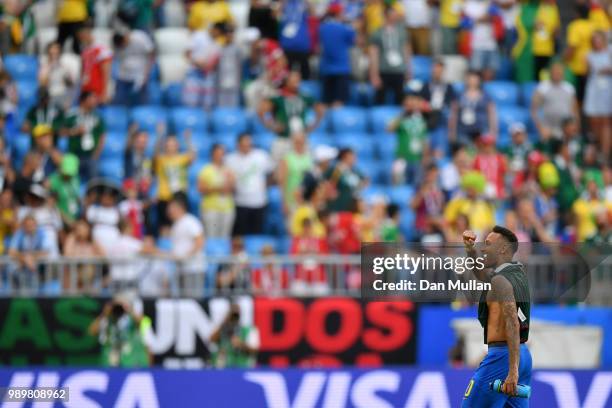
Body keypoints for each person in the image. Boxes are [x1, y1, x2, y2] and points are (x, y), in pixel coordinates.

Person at [461, 226, 532, 407]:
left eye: (487, 244)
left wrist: (512, 371)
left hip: (502, 358)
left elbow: (512, 323)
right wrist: (470, 251)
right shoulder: (515, 275)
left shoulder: (500, 281)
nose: (483, 249)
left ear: (502, 249)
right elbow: (482, 274)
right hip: (522, 356)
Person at [259, 71, 323, 162]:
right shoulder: (278, 97)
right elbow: (261, 111)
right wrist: (271, 126)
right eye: (294, 81)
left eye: (298, 81)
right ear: (286, 82)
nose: (297, 84)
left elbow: (320, 109)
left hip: (301, 139)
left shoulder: (304, 96)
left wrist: (314, 125)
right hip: (284, 138)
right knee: (279, 164)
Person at [226, 133, 274, 235]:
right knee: (240, 234)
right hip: (240, 202)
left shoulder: (261, 156)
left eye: (249, 144)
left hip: (259, 202)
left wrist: (266, 184)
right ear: (238, 145)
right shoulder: (230, 159)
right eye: (244, 144)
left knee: (256, 234)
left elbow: (272, 172)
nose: (247, 147)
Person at [369, 6, 412, 105]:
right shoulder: (378, 33)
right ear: (386, 16)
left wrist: (408, 70)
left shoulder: (402, 32)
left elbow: (407, 52)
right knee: (380, 100)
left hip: (399, 71)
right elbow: (373, 54)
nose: (395, 17)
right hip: (384, 71)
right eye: (392, 15)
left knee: (400, 101)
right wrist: (374, 74)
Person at [153, 131, 195, 232]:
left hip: (179, 196)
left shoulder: (182, 158)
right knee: (165, 226)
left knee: (181, 225)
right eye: (168, 144)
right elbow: (155, 153)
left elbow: (192, 157)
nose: (171, 147)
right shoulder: (161, 159)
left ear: (177, 146)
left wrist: (188, 140)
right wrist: (159, 136)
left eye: (173, 144)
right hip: (164, 196)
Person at [88, 299, 150, 367]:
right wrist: (104, 314)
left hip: (128, 358)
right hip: (109, 356)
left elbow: (141, 321)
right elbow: (91, 331)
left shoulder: (129, 319)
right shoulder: (105, 320)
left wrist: (128, 309)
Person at [512, 0, 560, 83]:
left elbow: (556, 29)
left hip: (547, 50)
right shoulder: (527, 8)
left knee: (543, 77)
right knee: (531, 76)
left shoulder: (552, 9)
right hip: (531, 50)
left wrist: (554, 32)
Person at [531, 61, 580, 142]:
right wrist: (541, 128)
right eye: (555, 72)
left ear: (563, 74)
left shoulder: (569, 88)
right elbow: (534, 110)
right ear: (550, 73)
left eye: (559, 72)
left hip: (566, 128)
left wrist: (575, 127)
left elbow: (575, 111)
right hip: (548, 128)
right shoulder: (542, 88)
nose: (557, 75)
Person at [167, 192, 206, 295]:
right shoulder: (176, 224)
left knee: (193, 300)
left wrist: (186, 256)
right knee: (184, 301)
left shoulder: (190, 221)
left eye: (171, 207)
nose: (168, 210)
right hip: (182, 269)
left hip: (193, 268)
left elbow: (200, 241)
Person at [387, 91, 429, 185]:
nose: (411, 104)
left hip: (417, 159)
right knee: (398, 185)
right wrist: (403, 114)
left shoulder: (421, 119)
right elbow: (389, 129)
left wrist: (425, 157)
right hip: (402, 158)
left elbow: (424, 139)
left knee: (416, 186)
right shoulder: (401, 117)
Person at [63, 91, 106, 182]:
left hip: (91, 156)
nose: (95, 101)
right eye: (91, 98)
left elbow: (102, 136)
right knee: (70, 181)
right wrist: (74, 131)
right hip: (74, 155)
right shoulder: (72, 115)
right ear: (83, 100)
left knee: (94, 181)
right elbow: (60, 131)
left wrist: (96, 154)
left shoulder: (97, 117)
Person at [318, 2, 356, 105]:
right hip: (341, 69)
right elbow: (352, 42)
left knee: (326, 101)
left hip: (326, 69)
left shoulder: (322, 28)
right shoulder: (345, 29)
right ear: (339, 14)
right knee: (339, 102)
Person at [583, 30, 612, 162]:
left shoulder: (610, 51)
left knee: (606, 121)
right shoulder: (589, 55)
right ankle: (598, 148)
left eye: (598, 39)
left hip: (607, 88)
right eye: (594, 40)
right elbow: (587, 72)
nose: (597, 42)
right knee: (594, 120)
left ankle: (605, 152)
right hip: (595, 88)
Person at [449, 71, 497, 146]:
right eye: (470, 79)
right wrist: (452, 132)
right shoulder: (459, 96)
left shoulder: (486, 96)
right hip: (463, 131)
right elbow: (454, 115)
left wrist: (493, 132)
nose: (472, 81)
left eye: (475, 79)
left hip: (481, 130)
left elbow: (492, 114)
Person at [198, 143, 235, 238]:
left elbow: (232, 187)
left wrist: (220, 188)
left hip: (227, 208)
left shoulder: (228, 169)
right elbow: (201, 189)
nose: (220, 156)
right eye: (218, 154)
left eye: (222, 154)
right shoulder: (206, 170)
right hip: (211, 208)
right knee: (211, 236)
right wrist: (219, 188)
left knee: (225, 237)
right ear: (212, 154)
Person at [182, 22, 221, 109]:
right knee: (191, 104)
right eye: (219, 31)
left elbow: (214, 64)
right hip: (194, 74)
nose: (219, 34)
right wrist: (198, 63)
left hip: (207, 76)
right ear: (215, 29)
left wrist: (208, 66)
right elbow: (187, 53)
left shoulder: (217, 45)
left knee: (206, 106)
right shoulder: (199, 36)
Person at [462, 0, 503, 81]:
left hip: (491, 44)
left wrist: (486, 17)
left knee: (490, 74)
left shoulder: (491, 3)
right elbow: (464, 24)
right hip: (476, 45)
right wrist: (479, 19)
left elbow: (497, 15)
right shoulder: (468, 5)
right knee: (475, 73)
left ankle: (487, 93)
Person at [112, 29, 155, 107]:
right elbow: (116, 60)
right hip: (123, 75)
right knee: (119, 101)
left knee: (141, 103)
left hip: (141, 73)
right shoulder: (118, 46)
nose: (123, 46)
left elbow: (151, 54)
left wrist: (147, 74)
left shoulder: (140, 38)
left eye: (124, 43)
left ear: (125, 37)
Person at [209, 303, 260, 368]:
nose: (234, 317)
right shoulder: (222, 328)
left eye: (236, 314)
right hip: (224, 368)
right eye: (232, 314)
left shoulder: (249, 330)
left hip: (243, 368)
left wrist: (242, 344)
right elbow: (211, 339)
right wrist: (225, 321)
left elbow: (255, 350)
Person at [8, 214, 51, 289]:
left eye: (32, 225)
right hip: (22, 266)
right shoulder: (19, 233)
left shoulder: (42, 233)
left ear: (36, 225)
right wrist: (25, 258)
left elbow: (46, 251)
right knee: (12, 269)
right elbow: (11, 251)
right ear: (23, 226)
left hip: (38, 267)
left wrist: (30, 257)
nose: (30, 227)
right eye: (27, 225)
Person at [564, 2, 595, 103]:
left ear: (577, 14)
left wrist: (564, 61)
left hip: (577, 67)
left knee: (577, 96)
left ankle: (579, 116)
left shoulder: (575, 26)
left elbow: (572, 47)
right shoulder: (594, 26)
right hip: (591, 66)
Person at [277, 132, 313, 213]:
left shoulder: (309, 157)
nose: (299, 144)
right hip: (292, 200)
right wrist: (284, 202)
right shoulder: (287, 159)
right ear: (293, 143)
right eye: (297, 142)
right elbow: (282, 181)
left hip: (306, 199)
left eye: (302, 142)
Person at [78, 23, 113, 103]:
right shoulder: (84, 49)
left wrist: (105, 91)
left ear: (88, 33)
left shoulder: (101, 48)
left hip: (97, 90)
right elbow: (84, 69)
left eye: (83, 36)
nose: (81, 39)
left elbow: (106, 71)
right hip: (87, 89)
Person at [418, 59, 457, 130]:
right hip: (429, 111)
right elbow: (421, 100)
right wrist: (427, 106)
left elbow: (453, 103)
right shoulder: (426, 86)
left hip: (443, 112)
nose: (437, 72)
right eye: (435, 70)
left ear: (443, 71)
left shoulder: (448, 86)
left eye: (440, 70)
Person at [325, 148, 367, 213]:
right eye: (352, 156)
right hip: (338, 206)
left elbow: (365, 180)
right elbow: (329, 185)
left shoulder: (354, 171)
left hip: (351, 206)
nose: (354, 159)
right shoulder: (336, 170)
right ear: (344, 157)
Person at [278, 0, 312, 79]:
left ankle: (303, 90)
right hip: (287, 45)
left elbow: (312, 13)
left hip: (302, 45)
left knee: (305, 74)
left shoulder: (302, 3)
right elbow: (276, 15)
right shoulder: (285, 4)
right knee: (286, 74)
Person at [38, 42, 77, 109]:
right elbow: (42, 84)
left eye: (57, 50)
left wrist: (67, 77)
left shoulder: (65, 66)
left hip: (62, 95)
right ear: (48, 52)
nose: (54, 52)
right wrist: (50, 69)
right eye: (52, 50)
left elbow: (71, 84)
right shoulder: (44, 66)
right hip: (49, 96)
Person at [86, 185, 122, 254]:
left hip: (113, 240)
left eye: (110, 197)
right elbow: (87, 219)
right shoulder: (94, 209)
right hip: (98, 240)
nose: (107, 199)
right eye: (104, 197)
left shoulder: (116, 210)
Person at [48, 154, 81, 227]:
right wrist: (65, 219)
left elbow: (76, 197)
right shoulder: (53, 181)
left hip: (74, 218)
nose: (68, 176)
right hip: (60, 222)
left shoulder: (76, 179)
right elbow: (52, 204)